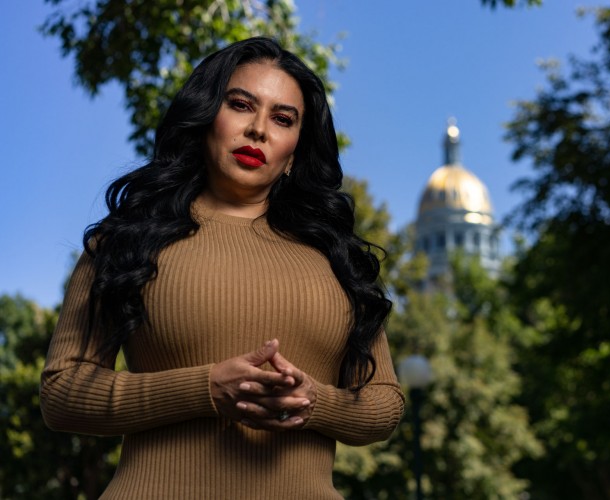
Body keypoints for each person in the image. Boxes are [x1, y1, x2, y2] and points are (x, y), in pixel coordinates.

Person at [40, 37, 404, 499]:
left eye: (282, 118)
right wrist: (204, 389)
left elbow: (384, 405)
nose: (258, 130)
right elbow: (62, 393)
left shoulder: (340, 260)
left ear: (295, 150)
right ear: (206, 116)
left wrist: (315, 402)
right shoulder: (125, 240)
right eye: (240, 104)